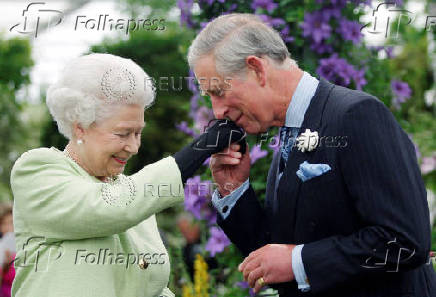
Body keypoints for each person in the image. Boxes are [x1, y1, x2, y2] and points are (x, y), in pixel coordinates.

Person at [187, 13, 436, 297]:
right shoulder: (289, 133)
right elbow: (272, 257)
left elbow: (404, 242)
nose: (218, 112)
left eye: (218, 91)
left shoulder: (356, 115)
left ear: (257, 69)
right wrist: (233, 189)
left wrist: (299, 262)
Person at [10, 53, 245, 297]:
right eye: (123, 134)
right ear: (80, 126)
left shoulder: (133, 193)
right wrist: (200, 148)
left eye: (138, 133)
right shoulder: (37, 170)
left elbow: (150, 288)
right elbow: (109, 206)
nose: (133, 147)